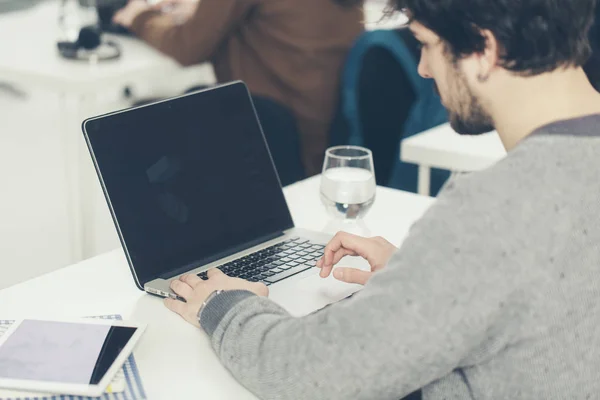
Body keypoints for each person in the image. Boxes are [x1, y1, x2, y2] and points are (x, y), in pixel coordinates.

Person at [163, 0, 600, 398]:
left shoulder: (494, 209)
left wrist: (222, 304)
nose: (425, 68)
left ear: (485, 48)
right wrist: (426, 276)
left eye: (427, 45)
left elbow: (307, 375)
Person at [112, 0, 364, 176]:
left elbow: (187, 46)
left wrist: (139, 16)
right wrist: (201, 10)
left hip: (268, 149)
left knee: (136, 114)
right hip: (323, 148)